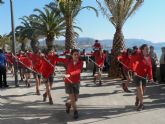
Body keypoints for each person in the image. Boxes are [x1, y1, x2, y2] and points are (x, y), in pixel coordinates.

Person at [58, 49, 83, 119]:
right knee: (72, 98)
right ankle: (75, 111)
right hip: (68, 82)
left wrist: (70, 74)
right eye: (75, 54)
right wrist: (51, 56)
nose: (76, 56)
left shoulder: (81, 62)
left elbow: (78, 70)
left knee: (76, 98)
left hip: (76, 82)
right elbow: (58, 59)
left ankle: (68, 104)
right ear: (71, 55)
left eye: (78, 54)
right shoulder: (68, 61)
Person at [130, 44, 153, 111]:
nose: (148, 50)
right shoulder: (138, 56)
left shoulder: (148, 58)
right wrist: (134, 71)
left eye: (148, 49)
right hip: (137, 75)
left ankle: (138, 97)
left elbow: (150, 68)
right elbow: (134, 63)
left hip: (144, 76)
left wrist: (151, 77)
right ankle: (141, 104)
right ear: (142, 50)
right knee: (140, 90)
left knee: (142, 91)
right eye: (146, 49)